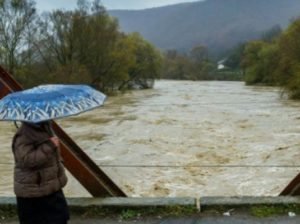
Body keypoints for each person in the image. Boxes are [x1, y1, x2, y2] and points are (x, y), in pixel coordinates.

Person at [12, 121, 69, 224]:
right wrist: (49, 146)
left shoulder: (45, 125)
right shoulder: (24, 134)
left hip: (49, 186)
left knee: (61, 218)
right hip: (34, 191)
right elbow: (26, 160)